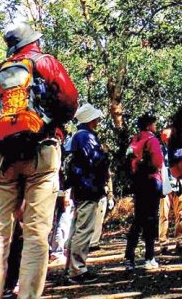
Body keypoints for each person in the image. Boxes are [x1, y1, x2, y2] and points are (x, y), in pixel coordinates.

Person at [0, 22, 78, 299]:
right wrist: (44, 122)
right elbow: (70, 103)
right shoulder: (46, 63)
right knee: (35, 235)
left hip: (3, 158)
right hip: (41, 154)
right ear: (35, 42)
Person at [66, 103, 109, 284]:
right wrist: (105, 154)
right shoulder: (86, 137)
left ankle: (72, 266)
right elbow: (95, 160)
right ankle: (78, 270)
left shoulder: (77, 136)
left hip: (81, 188)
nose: (98, 121)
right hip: (87, 188)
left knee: (77, 228)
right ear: (91, 120)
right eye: (96, 118)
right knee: (84, 229)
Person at [124, 113, 164, 271]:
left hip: (138, 182)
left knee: (138, 219)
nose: (155, 126)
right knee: (151, 219)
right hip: (151, 181)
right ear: (149, 125)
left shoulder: (135, 139)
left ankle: (129, 258)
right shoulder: (152, 140)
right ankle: (149, 257)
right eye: (154, 123)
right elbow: (158, 162)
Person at [159, 127, 182, 251]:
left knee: (180, 214)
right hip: (165, 185)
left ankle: (180, 240)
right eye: (166, 138)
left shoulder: (181, 149)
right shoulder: (160, 150)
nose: (168, 140)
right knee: (164, 214)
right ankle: (163, 242)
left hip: (180, 184)